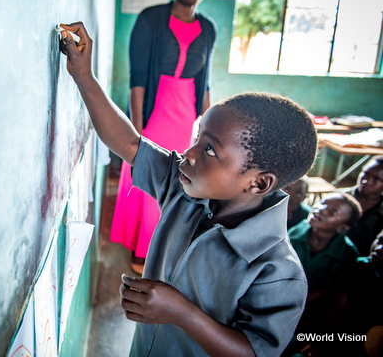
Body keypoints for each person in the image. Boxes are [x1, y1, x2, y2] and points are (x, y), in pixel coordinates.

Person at [59, 22, 318, 356]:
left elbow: (255, 352)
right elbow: (127, 142)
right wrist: (82, 74)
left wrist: (181, 313)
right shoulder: (187, 189)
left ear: (258, 183)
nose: (188, 153)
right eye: (197, 138)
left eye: (209, 149)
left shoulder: (277, 271)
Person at [110, 0, 217, 274]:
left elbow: (205, 81)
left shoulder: (208, 28)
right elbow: (138, 78)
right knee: (150, 169)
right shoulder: (151, 19)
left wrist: (208, 130)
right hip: (155, 110)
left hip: (186, 115)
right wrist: (137, 130)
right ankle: (142, 249)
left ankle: (161, 240)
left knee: (178, 176)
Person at [284, 193, 362, 356]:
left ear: (342, 228)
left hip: (310, 319)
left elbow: (334, 299)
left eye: (333, 211)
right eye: (322, 203)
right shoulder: (294, 233)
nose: (321, 209)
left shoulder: (347, 254)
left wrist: (320, 336)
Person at [337, 156, 383, 256]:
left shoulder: (381, 211)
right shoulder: (339, 198)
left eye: (376, 179)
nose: (366, 181)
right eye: (365, 173)